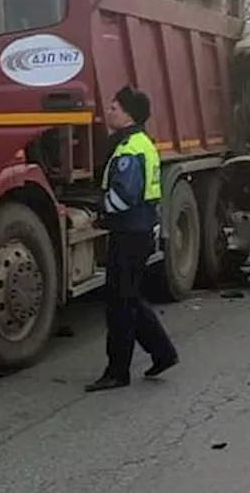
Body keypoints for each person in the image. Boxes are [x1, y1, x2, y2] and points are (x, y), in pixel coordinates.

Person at [85, 85, 180, 392]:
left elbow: (124, 196)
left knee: (120, 305)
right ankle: (163, 353)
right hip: (136, 231)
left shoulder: (130, 149)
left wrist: (97, 209)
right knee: (127, 297)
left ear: (128, 114)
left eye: (113, 107)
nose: (108, 111)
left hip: (129, 232)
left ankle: (118, 372)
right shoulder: (139, 143)